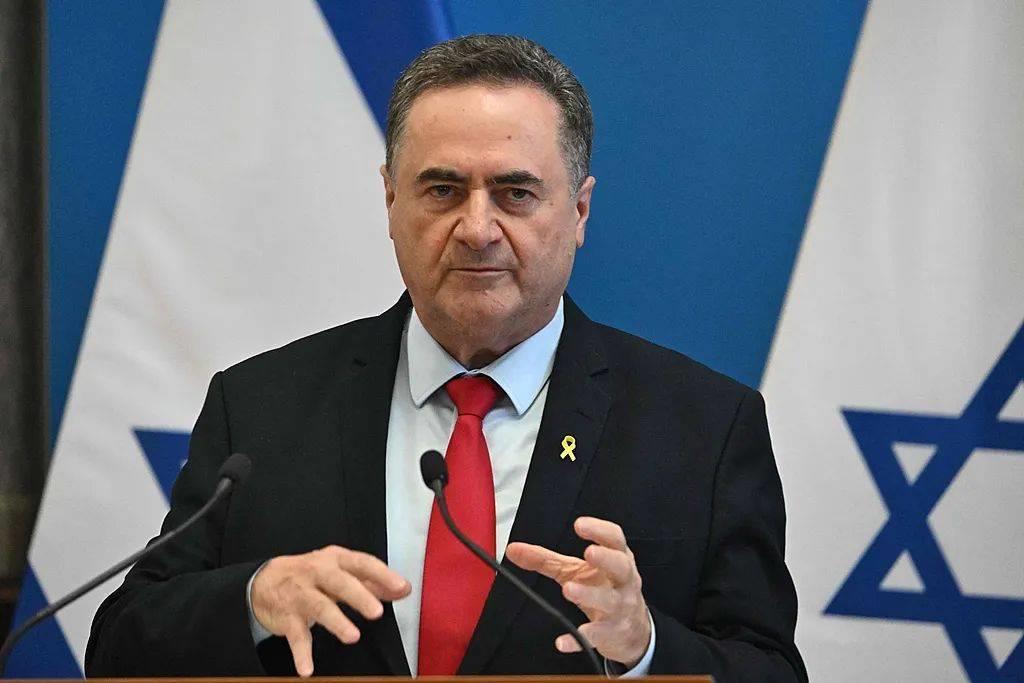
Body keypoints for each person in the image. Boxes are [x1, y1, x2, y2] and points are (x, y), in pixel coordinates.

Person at [85, 34, 807, 681]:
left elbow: (769, 667)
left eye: (515, 193)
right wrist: (251, 599)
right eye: (443, 189)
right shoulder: (260, 406)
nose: (477, 228)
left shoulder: (703, 428)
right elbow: (120, 646)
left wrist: (645, 650)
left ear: (580, 212)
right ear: (391, 200)